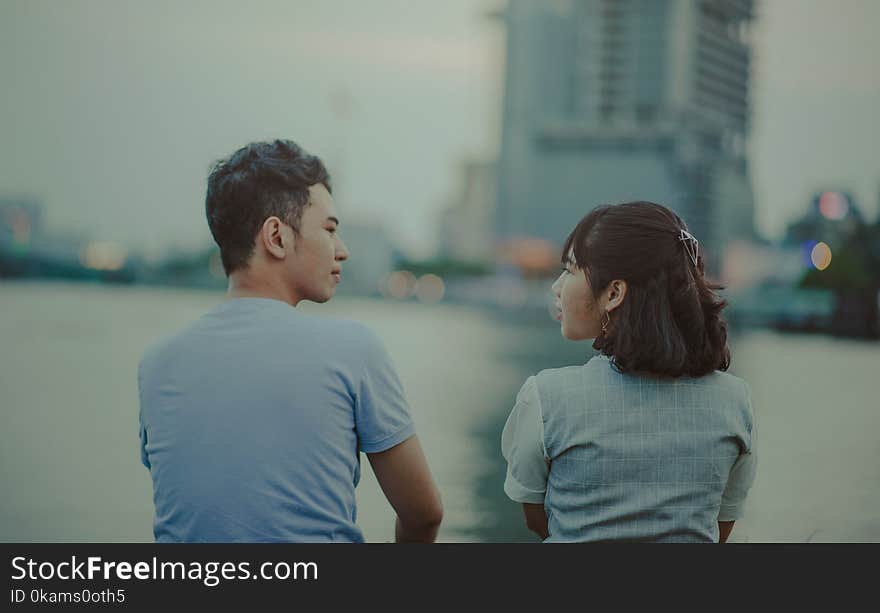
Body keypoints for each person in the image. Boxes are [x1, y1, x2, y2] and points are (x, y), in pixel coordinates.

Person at [138, 139, 443, 542]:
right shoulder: (352, 350)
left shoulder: (157, 363)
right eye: (330, 230)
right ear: (277, 237)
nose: (343, 250)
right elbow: (424, 515)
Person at [501, 201, 756, 543]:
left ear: (615, 293)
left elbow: (538, 520)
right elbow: (717, 529)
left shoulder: (546, 398)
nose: (556, 286)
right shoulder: (735, 401)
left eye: (572, 270)